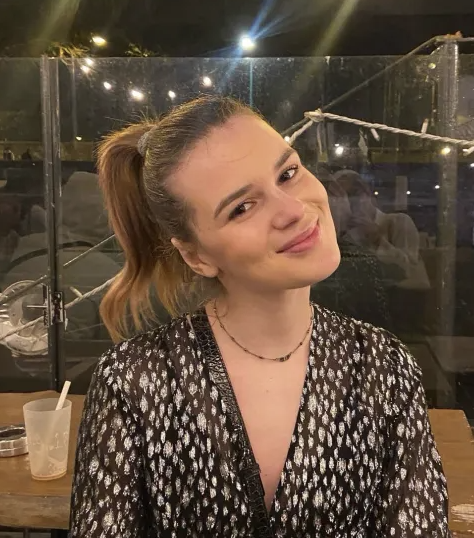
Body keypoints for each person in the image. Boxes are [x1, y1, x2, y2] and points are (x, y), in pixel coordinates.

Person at [70, 96, 450, 537]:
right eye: (242, 208)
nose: (294, 210)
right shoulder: (132, 381)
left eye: (288, 174)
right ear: (196, 257)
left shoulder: (384, 366)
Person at [335, 170, 430, 290]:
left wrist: (377, 239)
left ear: (366, 194)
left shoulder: (398, 222)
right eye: (339, 198)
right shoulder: (342, 233)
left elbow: (410, 269)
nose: (347, 203)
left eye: (351, 194)